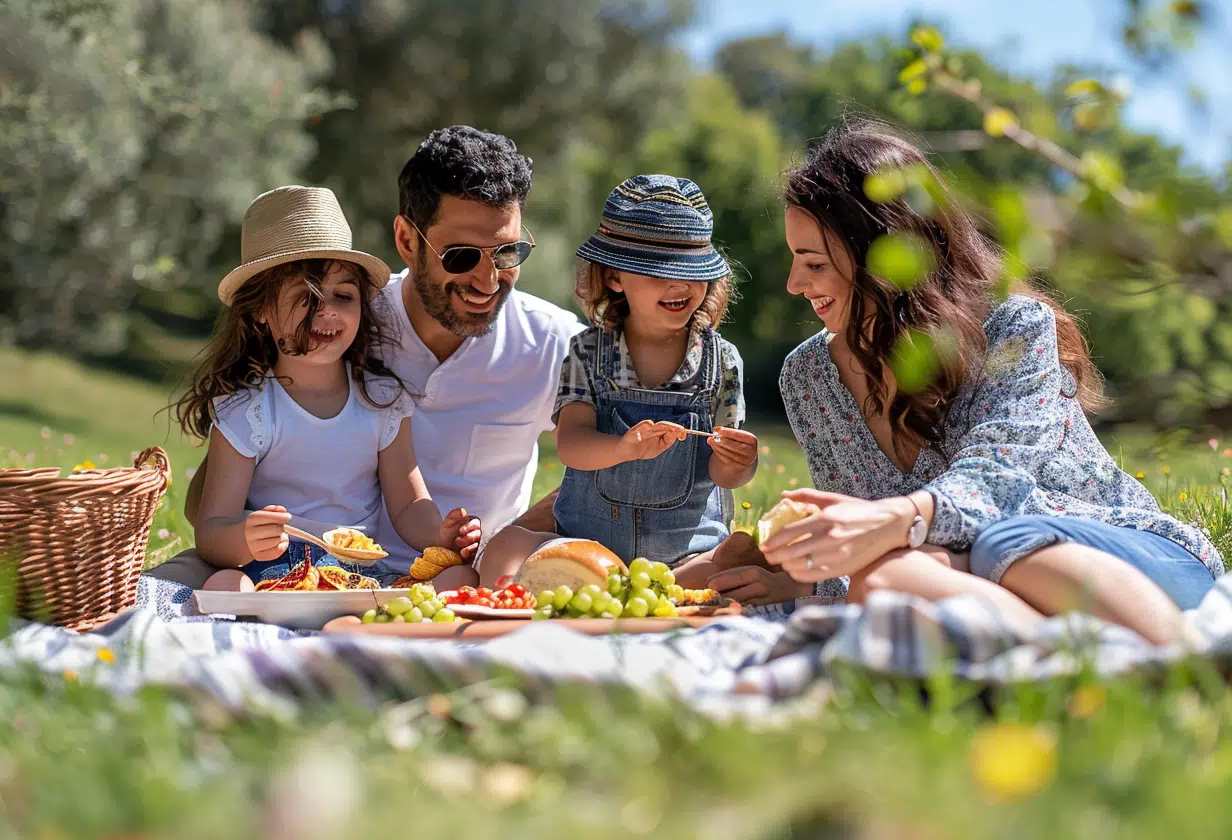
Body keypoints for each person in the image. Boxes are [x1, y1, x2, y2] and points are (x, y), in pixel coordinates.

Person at [753, 119, 1222, 645]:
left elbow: (997, 483)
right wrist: (783, 577)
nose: (795, 284)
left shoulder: (1013, 329)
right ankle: (1081, 666)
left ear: (884, 256)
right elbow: (865, 546)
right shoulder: (810, 378)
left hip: (1135, 564)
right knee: (883, 578)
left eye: (813, 262)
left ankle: (1181, 655)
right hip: (983, 580)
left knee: (1004, 539)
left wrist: (897, 520)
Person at [153, 126, 582, 590]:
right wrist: (240, 531)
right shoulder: (347, 328)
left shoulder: (554, 344)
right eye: (460, 256)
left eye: (507, 252)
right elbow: (209, 511)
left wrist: (507, 538)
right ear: (406, 240)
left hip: (414, 574)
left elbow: (634, 455)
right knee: (179, 591)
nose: (487, 279)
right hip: (268, 564)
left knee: (457, 582)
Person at [171, 185, 475, 589]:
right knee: (225, 585)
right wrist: (244, 540)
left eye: (343, 295)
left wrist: (440, 536)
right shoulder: (250, 409)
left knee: (459, 577)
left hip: (357, 573)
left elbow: (407, 507)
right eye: (305, 297)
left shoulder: (382, 401)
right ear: (260, 311)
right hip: (269, 573)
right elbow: (211, 529)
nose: (328, 310)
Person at [475, 175, 760, 589]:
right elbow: (571, 444)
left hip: (687, 554)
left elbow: (723, 475)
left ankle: (670, 583)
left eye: (692, 271)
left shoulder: (722, 361)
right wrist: (623, 447)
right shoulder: (588, 353)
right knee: (505, 549)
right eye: (658, 272)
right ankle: (633, 587)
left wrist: (740, 464)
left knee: (740, 559)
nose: (679, 284)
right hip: (583, 551)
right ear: (614, 278)